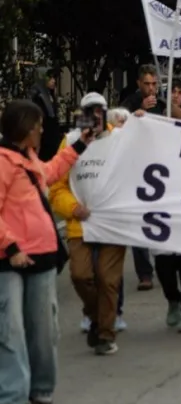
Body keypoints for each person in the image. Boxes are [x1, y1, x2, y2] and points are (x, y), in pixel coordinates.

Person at [0, 100, 93, 404]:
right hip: (10, 259)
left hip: (40, 255)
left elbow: (51, 172)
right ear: (26, 128)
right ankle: (10, 395)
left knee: (42, 326)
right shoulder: (3, 162)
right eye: (38, 124)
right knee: (9, 327)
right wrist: (10, 247)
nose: (42, 129)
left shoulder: (28, 159)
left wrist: (80, 144)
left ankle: (40, 389)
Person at [49, 93, 126, 355]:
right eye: (88, 111)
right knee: (80, 275)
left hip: (112, 223)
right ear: (81, 113)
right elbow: (56, 186)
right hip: (79, 223)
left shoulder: (120, 139)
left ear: (105, 112)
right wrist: (73, 208)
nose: (93, 116)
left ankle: (105, 334)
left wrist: (140, 121)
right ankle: (96, 316)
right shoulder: (70, 141)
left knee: (108, 278)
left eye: (99, 111)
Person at [122, 64, 167, 290]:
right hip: (137, 169)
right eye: (147, 84)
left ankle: (164, 266)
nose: (151, 89)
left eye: (154, 84)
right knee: (139, 219)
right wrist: (136, 112)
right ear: (139, 84)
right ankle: (144, 273)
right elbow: (117, 125)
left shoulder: (163, 103)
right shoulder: (129, 101)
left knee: (160, 218)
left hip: (161, 169)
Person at [29, 69, 63, 161]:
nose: (53, 81)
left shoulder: (49, 94)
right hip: (44, 138)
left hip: (52, 137)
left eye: (53, 78)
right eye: (50, 78)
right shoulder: (38, 96)